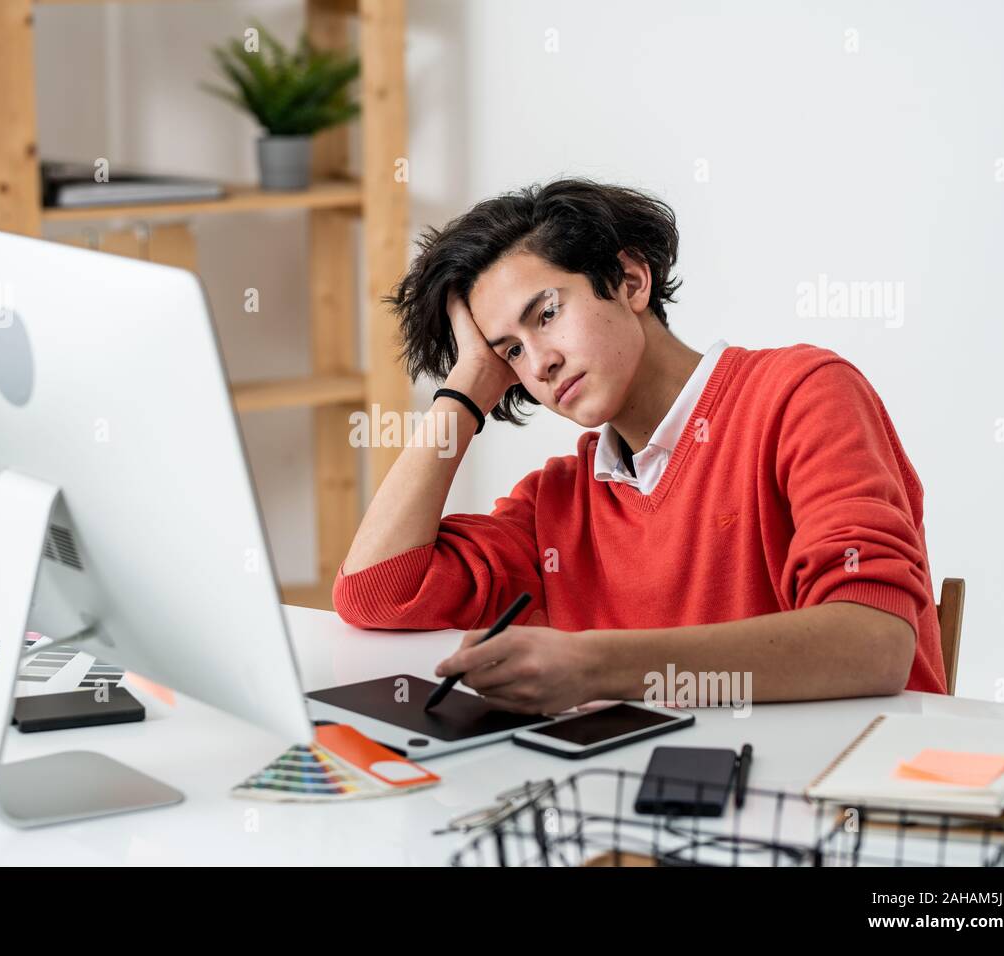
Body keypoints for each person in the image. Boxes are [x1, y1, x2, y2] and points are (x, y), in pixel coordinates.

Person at [332, 178, 946, 714]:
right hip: (661, 814)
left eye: (546, 314)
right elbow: (375, 590)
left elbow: (874, 643)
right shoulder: (558, 504)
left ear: (629, 280)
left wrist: (595, 666)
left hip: (844, 810)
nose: (538, 363)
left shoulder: (802, 395)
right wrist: (466, 388)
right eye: (510, 351)